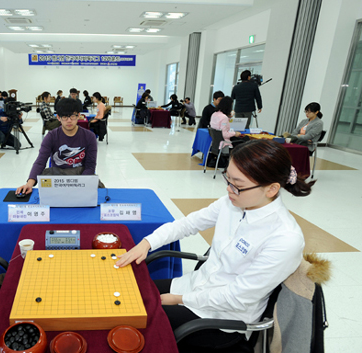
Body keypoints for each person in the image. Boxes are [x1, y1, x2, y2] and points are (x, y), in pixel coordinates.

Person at [116, 139, 314, 352]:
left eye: (237, 185)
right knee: (126, 294)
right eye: (227, 179)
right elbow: (188, 224)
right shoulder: (234, 202)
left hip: (221, 319)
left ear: (272, 189)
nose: (229, 190)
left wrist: (177, 299)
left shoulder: (284, 239)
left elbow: (237, 297)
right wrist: (146, 243)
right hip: (196, 286)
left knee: (131, 319)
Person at [16, 98, 98, 195]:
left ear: (78, 116)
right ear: (58, 117)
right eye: (64, 117)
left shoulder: (89, 137)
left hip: (81, 176)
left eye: (73, 116)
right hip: (58, 178)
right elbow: (40, 162)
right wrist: (29, 184)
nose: (69, 120)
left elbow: (90, 165)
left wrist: (80, 185)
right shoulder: (51, 136)